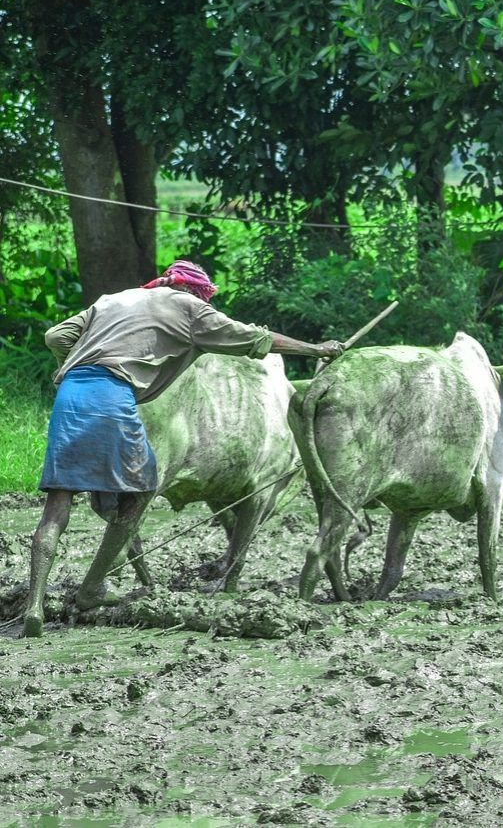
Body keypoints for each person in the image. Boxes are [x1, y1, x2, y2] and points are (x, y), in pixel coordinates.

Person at [23, 259, 344, 638]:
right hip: (113, 396)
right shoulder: (189, 308)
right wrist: (316, 348)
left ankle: (35, 606)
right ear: (194, 291)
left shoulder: (114, 300)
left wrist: (76, 363)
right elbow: (257, 339)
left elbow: (55, 336)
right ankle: (92, 588)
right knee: (141, 492)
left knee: (58, 502)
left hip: (70, 394)